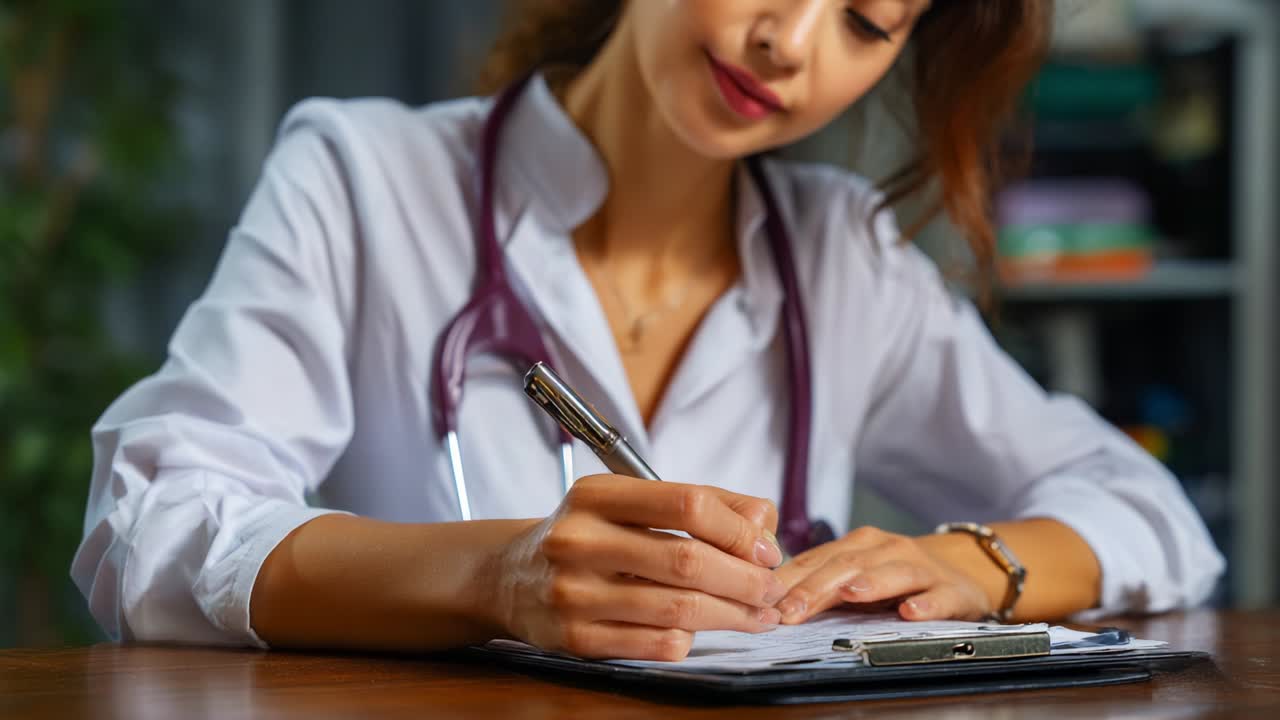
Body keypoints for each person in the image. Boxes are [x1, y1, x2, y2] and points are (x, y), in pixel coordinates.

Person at [72, 0, 1223, 660]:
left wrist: (959, 565)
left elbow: (1146, 511)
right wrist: (496, 578)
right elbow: (147, 525)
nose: (789, 41)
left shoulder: (842, 256)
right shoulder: (360, 179)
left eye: (865, 21)